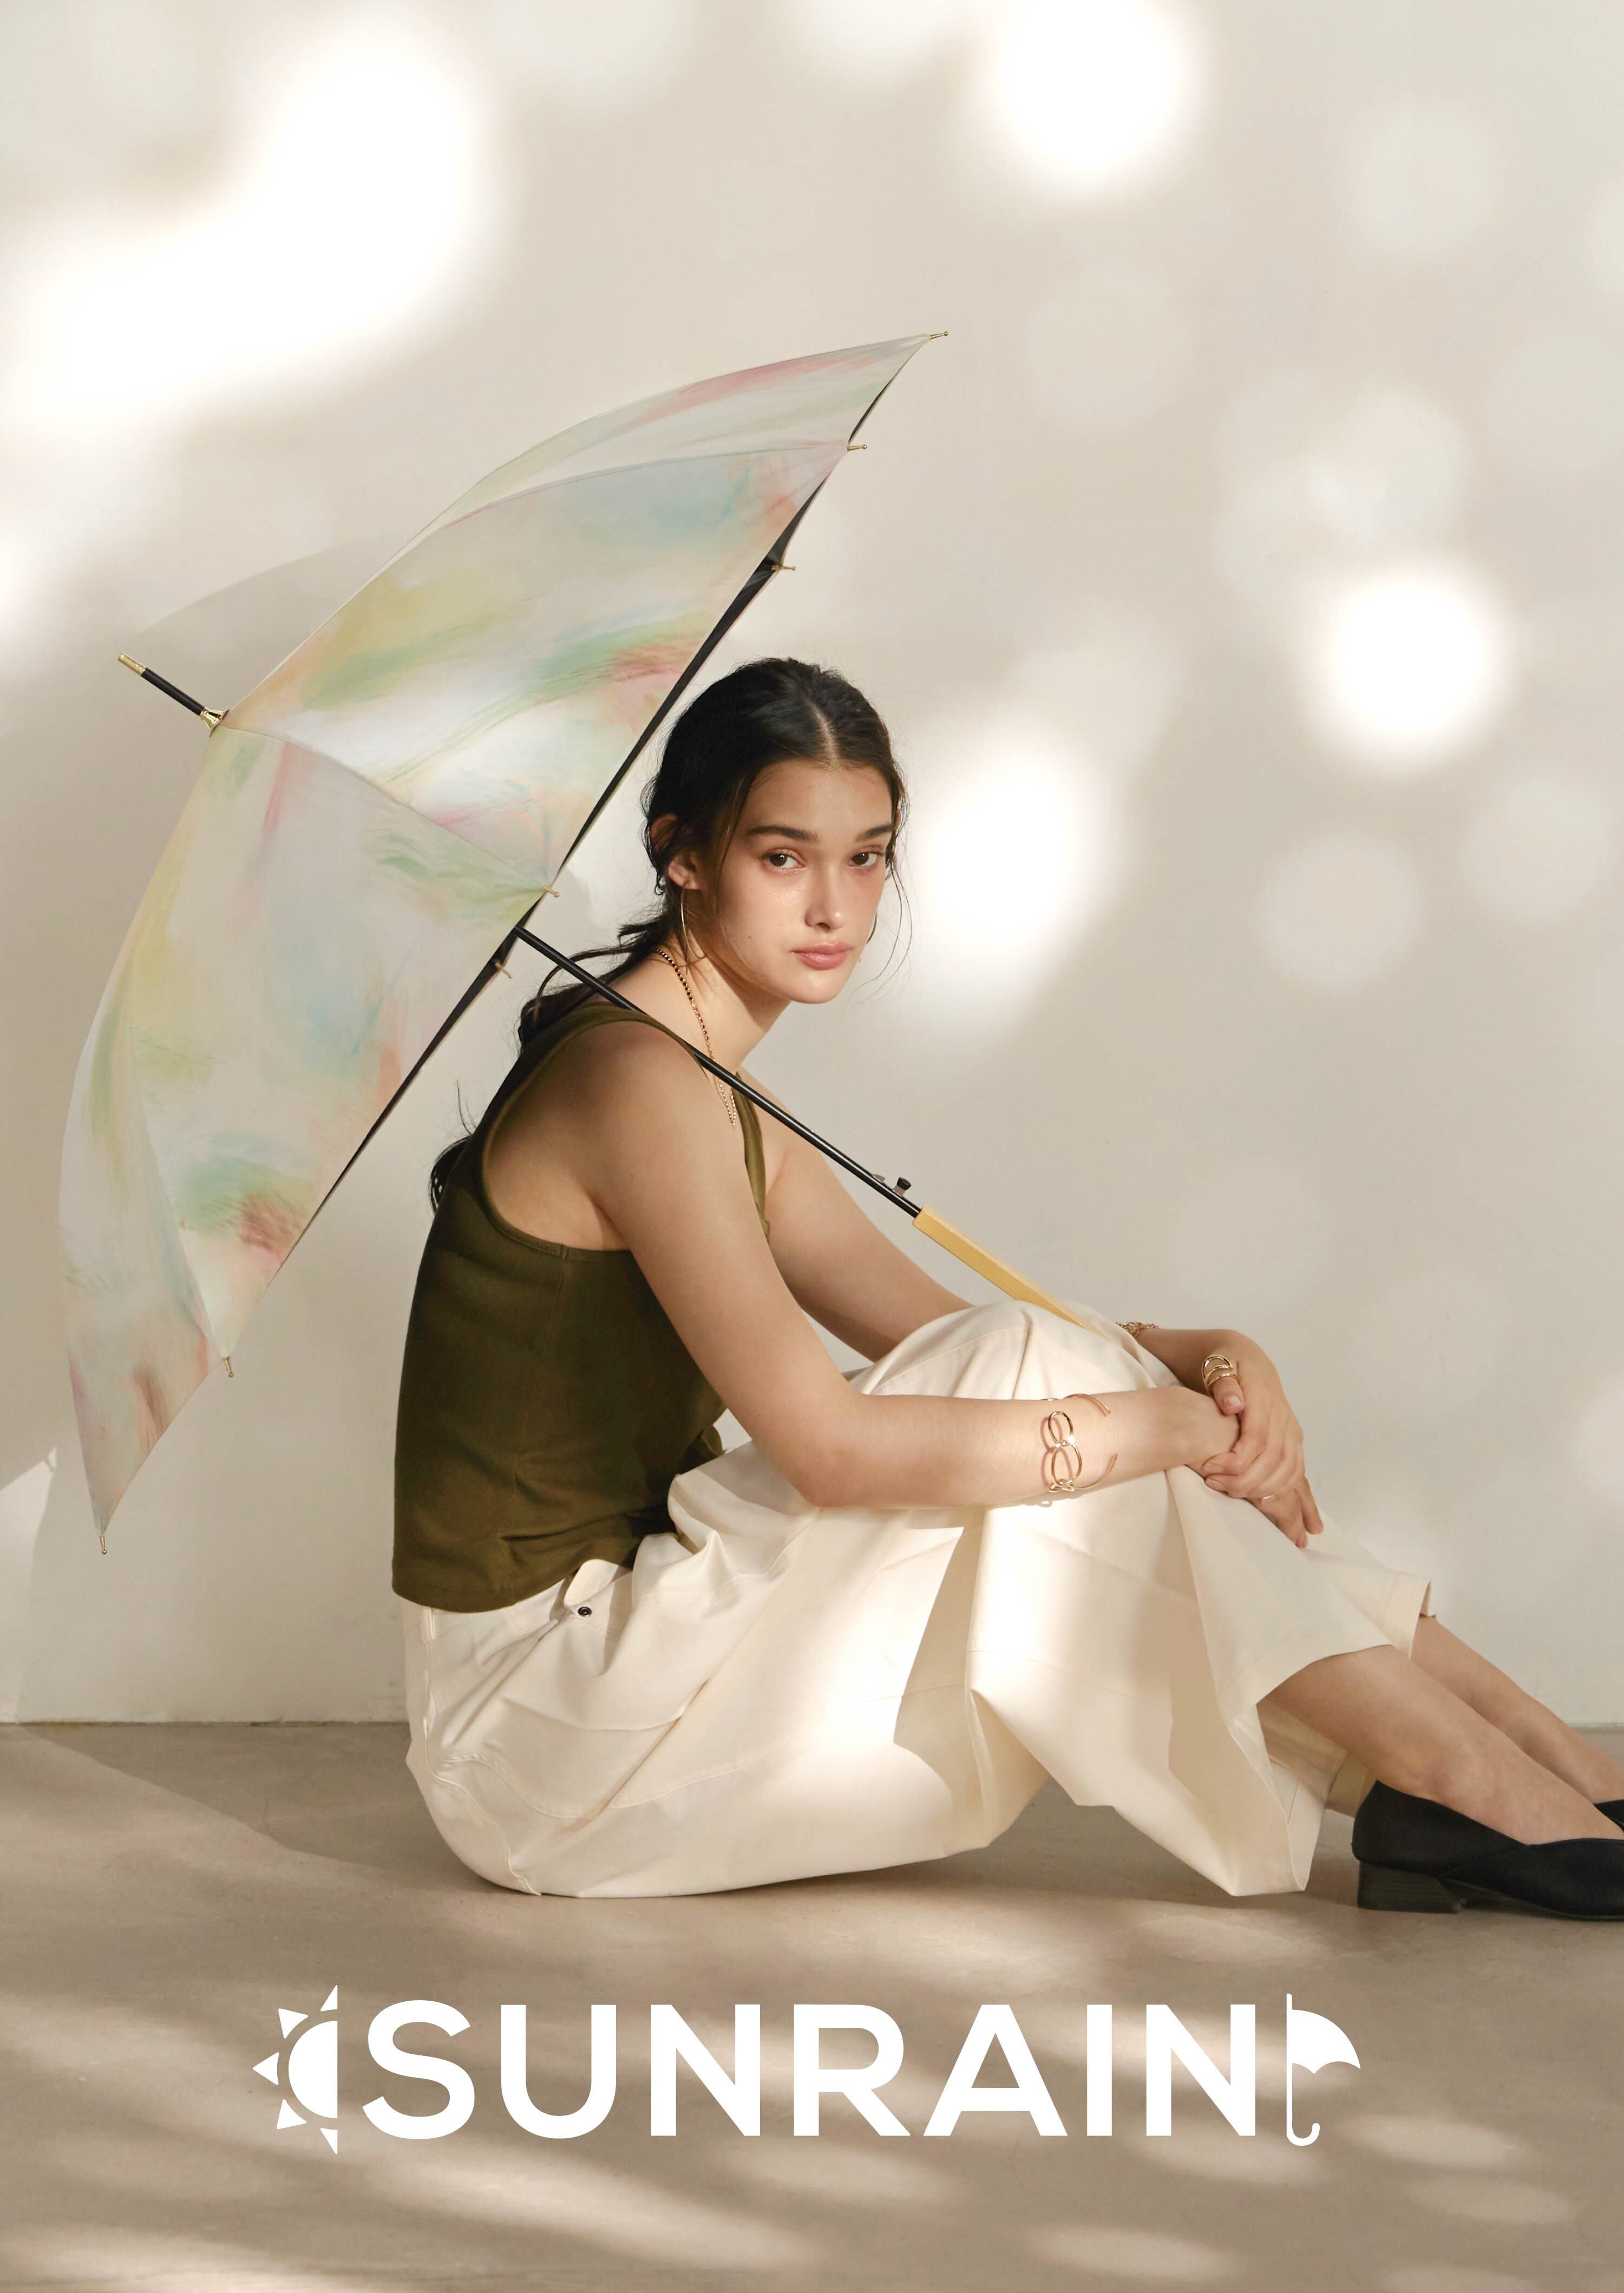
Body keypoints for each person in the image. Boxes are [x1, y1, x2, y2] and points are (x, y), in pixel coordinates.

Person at [393, 656, 1624, 1917]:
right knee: (1066, 1398)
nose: (833, 905)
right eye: (782, 857)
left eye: (867, 858)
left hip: (650, 1655)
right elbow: (830, 1449)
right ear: (683, 855)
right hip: (543, 1733)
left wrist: (1211, 1355)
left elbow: (959, 1340)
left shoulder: (708, 1091)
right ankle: (1465, 1777)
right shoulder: (635, 1086)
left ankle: (1529, 1769)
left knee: (1046, 1376)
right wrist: (1166, 1427)